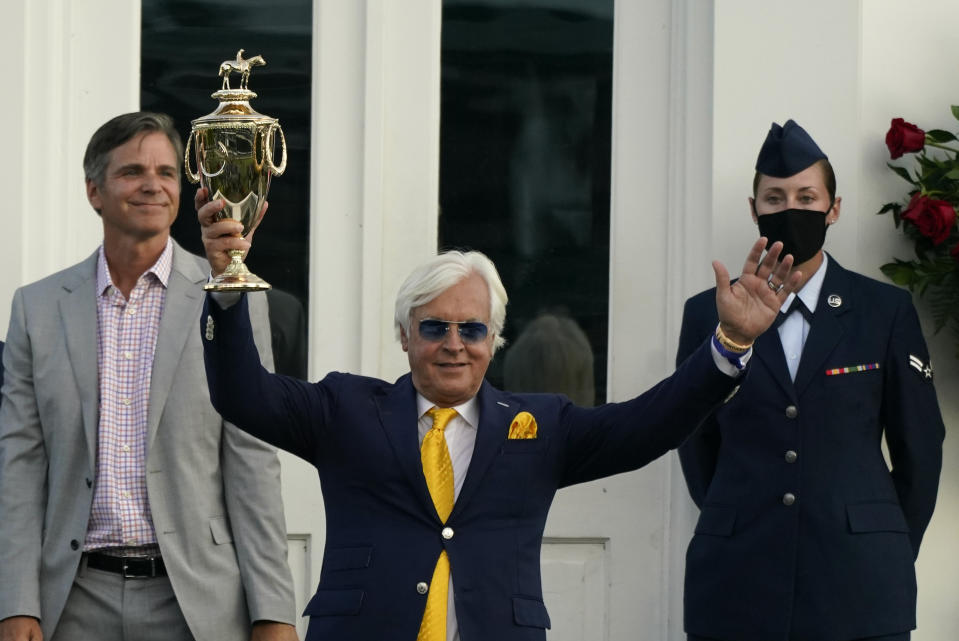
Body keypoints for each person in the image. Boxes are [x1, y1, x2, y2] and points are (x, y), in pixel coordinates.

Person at [198, 185, 801, 641]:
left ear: (495, 339)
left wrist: (729, 346)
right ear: (405, 337)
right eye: (434, 327)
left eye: (472, 329)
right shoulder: (346, 409)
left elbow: (648, 424)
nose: (454, 343)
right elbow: (245, 395)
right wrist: (227, 290)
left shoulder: (540, 426)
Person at [0, 112, 297, 641]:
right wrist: (16, 603)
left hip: (195, 603)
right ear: (94, 191)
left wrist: (272, 612)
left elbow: (253, 461)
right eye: (132, 171)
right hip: (71, 600)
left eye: (165, 171)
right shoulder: (37, 309)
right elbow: (20, 466)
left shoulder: (230, 296)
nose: (153, 185)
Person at [677, 120, 945, 641]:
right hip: (737, 582)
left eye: (806, 196)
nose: (790, 209)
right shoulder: (707, 313)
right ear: (754, 209)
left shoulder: (883, 312)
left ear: (834, 208)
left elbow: (921, 447)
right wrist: (739, 516)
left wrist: (882, 541)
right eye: (774, 198)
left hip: (861, 586)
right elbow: (695, 440)